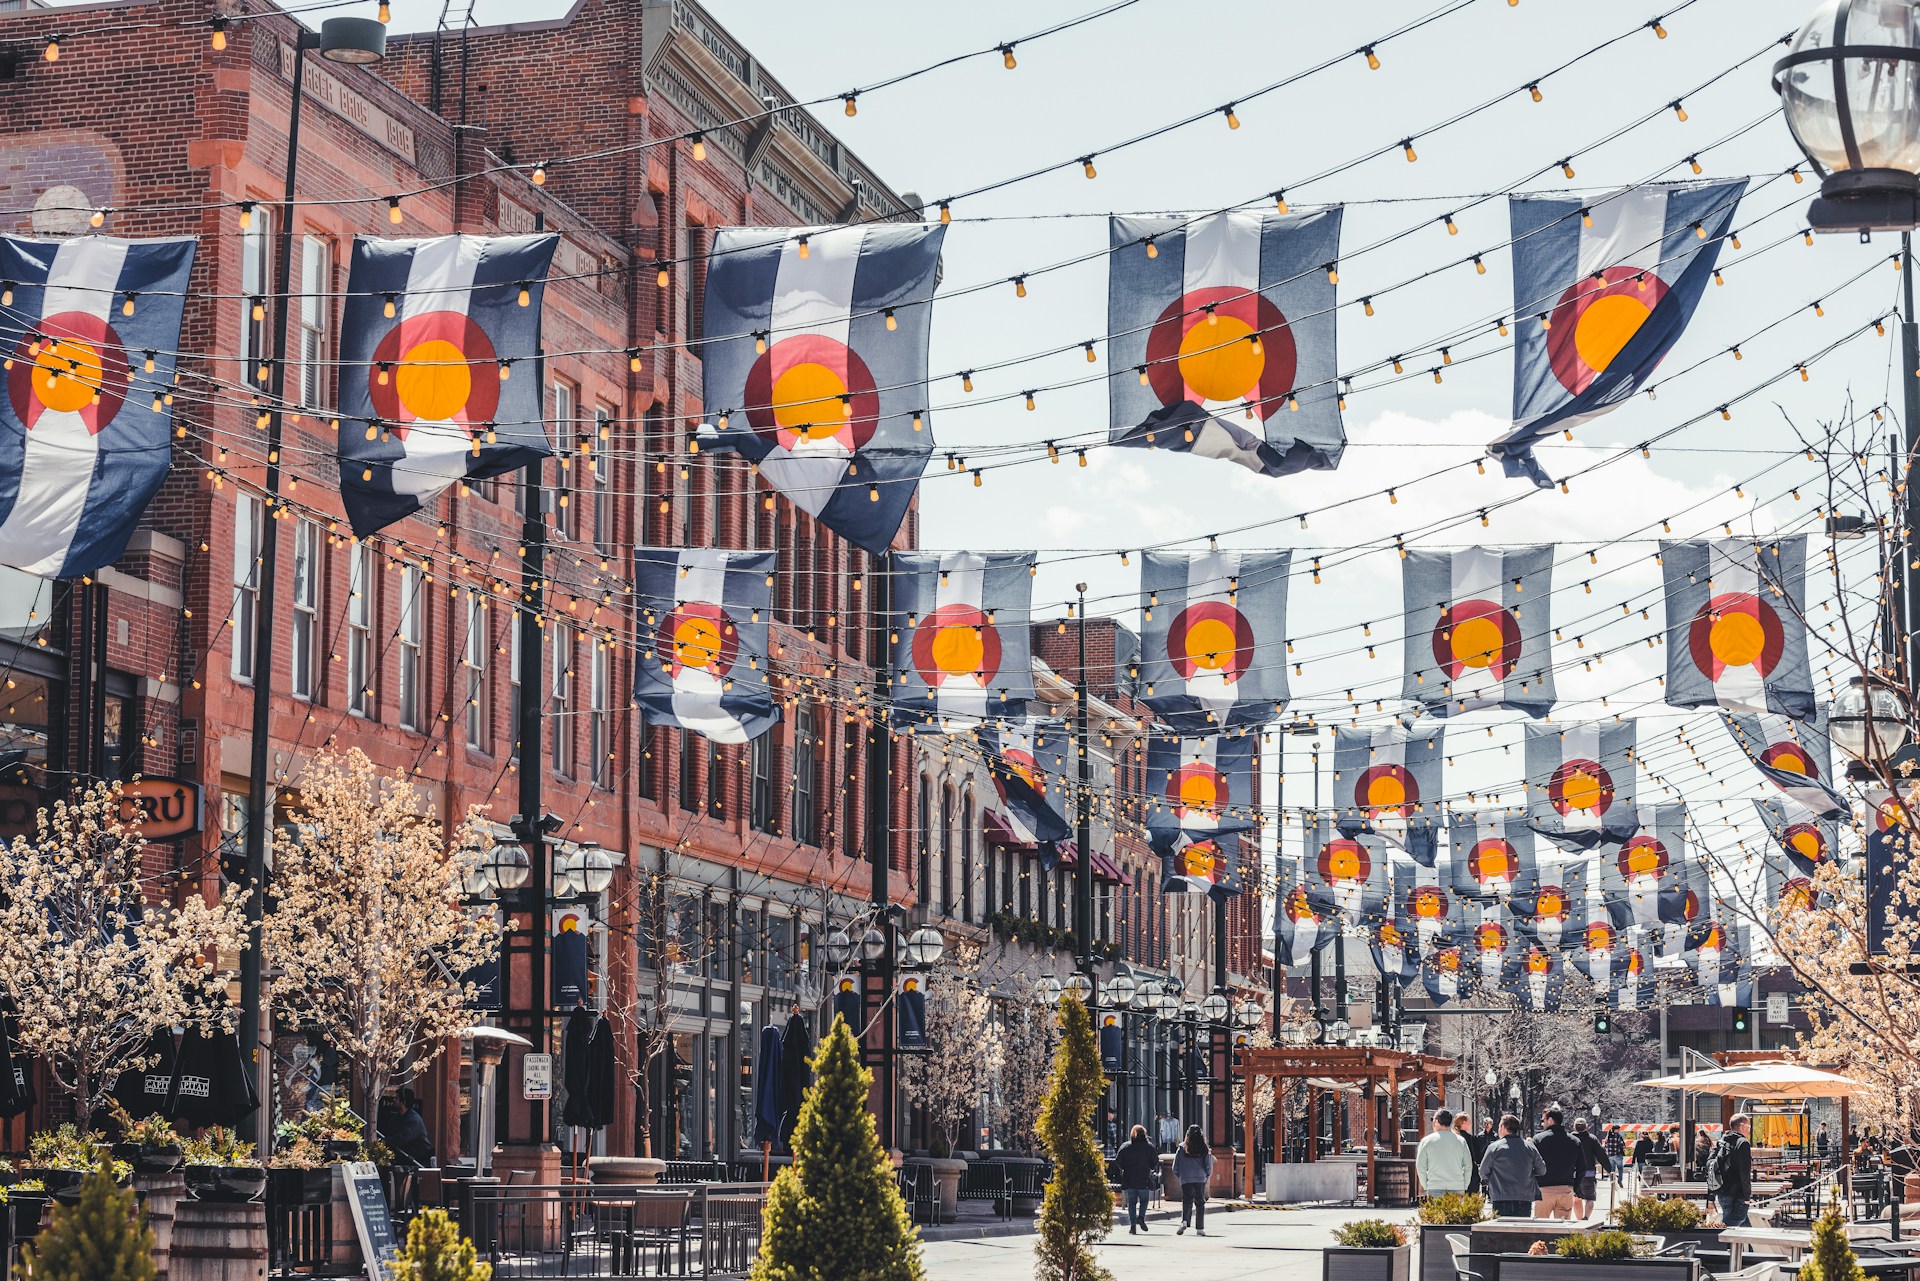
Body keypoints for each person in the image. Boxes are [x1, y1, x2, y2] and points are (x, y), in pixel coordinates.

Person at [1479, 1113, 1546, 1218]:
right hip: (1524, 1197)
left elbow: (1483, 1172)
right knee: (1522, 1231)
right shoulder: (1529, 1147)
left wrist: (1491, 1180)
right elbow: (1542, 1170)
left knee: (1502, 1232)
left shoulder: (1493, 1148)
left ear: (1503, 1127)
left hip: (1500, 1196)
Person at [1532, 1107, 1582, 1219]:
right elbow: (1582, 1167)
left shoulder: (1538, 1139)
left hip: (1544, 1189)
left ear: (1550, 1120)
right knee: (1562, 1232)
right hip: (1566, 1188)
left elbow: (1532, 1164)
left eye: (1543, 1120)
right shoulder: (1575, 1141)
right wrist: (1575, 1186)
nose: (1542, 1124)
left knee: (1540, 1228)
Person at [1709, 1113, 1754, 1228]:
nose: (1749, 1130)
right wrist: (1747, 1196)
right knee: (1731, 1226)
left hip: (1722, 1190)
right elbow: (1745, 1173)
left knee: (1743, 1226)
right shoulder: (1742, 1143)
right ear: (1743, 1126)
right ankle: (1721, 1245)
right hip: (1737, 1192)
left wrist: (1711, 1195)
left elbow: (1710, 1165)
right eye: (1748, 1127)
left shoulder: (1721, 1142)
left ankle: (1749, 1246)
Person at [1419, 1109, 1474, 1198]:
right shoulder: (1461, 1141)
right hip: (1457, 1186)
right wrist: (1464, 1185)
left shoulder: (1426, 1141)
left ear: (1436, 1121)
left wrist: (1426, 1185)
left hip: (1435, 1186)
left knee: (1437, 1212)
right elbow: (1468, 1165)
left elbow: (1421, 1166)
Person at [1117, 1124, 1159, 1235]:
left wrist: (1125, 1168)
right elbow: (1155, 1161)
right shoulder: (1149, 1147)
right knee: (1144, 1200)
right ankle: (1141, 1217)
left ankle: (1132, 1225)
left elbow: (1118, 1160)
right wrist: (1149, 1168)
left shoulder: (1126, 1146)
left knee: (1132, 1202)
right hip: (1144, 1177)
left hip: (1130, 1178)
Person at [1175, 1125, 1214, 1236]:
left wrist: (1181, 1176)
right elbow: (1208, 1166)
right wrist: (1207, 1176)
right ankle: (1200, 1228)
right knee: (1200, 1202)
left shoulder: (1182, 1148)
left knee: (1187, 1201)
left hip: (1186, 1178)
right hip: (1200, 1178)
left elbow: (1175, 1166)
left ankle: (1185, 1221)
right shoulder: (1204, 1148)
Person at [1572, 1119, 1608, 1218]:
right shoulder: (1592, 1139)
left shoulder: (1570, 1138)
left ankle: (1579, 1221)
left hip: (1574, 1173)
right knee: (1590, 1198)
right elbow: (1601, 1155)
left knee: (1576, 1198)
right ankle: (1586, 1218)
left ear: (1574, 1126)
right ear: (1586, 1126)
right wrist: (1609, 1169)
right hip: (1589, 1172)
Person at [1458, 1113, 1487, 1196]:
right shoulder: (1471, 1139)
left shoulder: (1452, 1137)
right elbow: (1478, 1158)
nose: (1471, 1123)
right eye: (1469, 1121)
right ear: (1463, 1123)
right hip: (1471, 1175)